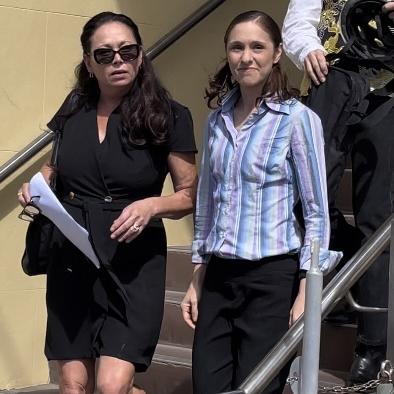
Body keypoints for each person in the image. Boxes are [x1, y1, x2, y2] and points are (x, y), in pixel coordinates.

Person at [17, 11, 197, 394]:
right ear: (88, 62)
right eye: (105, 54)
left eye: (127, 51)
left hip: (132, 258)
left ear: (141, 55)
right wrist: (37, 185)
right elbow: (54, 166)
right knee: (72, 384)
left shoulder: (168, 114)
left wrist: (151, 206)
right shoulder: (74, 107)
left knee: (113, 386)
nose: (118, 60)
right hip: (72, 253)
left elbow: (189, 194)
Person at [181, 10, 342, 394]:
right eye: (237, 47)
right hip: (220, 277)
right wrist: (197, 276)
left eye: (257, 47)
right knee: (207, 385)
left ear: (277, 54)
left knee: (257, 387)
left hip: (271, 278)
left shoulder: (297, 119)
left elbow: (316, 210)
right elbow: (207, 204)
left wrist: (308, 291)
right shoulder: (216, 120)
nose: (246, 57)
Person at [283, 0, 394, 385]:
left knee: (376, 214)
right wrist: (307, 49)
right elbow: (298, 22)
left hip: (389, 89)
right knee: (304, 196)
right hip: (331, 78)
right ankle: (347, 271)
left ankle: (372, 342)